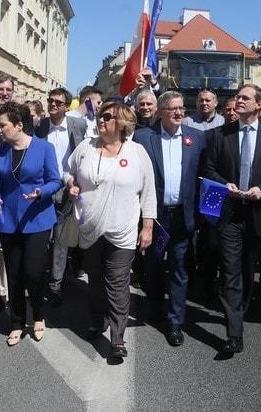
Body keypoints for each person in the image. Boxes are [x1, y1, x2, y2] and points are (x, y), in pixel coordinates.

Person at [65, 101, 156, 359]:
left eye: (107, 117)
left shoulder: (137, 152)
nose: (101, 120)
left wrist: (147, 227)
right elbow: (67, 172)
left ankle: (118, 339)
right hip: (90, 226)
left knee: (117, 284)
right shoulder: (86, 148)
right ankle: (97, 320)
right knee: (95, 282)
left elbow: (149, 192)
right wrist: (71, 184)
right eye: (100, 116)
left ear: (122, 123)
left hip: (123, 229)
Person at [203, 84, 261, 355]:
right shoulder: (219, 135)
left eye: (244, 98)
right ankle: (234, 333)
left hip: (257, 213)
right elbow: (208, 169)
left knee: (248, 272)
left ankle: (239, 310)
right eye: (237, 97)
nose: (238, 101)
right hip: (229, 213)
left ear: (258, 105)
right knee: (229, 271)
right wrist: (223, 184)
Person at [134, 91, 206, 347]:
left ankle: (175, 321)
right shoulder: (143, 137)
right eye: (173, 109)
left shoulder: (196, 138)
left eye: (181, 109)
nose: (178, 113)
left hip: (182, 216)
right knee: (153, 263)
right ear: (160, 111)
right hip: (154, 215)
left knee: (179, 267)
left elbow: (203, 175)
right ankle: (154, 304)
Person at [0, 102, 62, 346]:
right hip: (9, 220)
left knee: (33, 272)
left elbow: (56, 180)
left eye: (3, 125)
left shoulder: (44, 148)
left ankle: (39, 314)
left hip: (37, 218)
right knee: (13, 274)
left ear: (19, 125)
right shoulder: (1, 149)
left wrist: (40, 192)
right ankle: (16, 322)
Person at [35, 87, 87, 305]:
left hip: (67, 189)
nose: (53, 104)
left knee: (61, 240)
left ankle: (55, 285)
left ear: (67, 106)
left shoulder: (79, 126)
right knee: (40, 238)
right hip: (44, 189)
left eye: (58, 102)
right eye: (50, 100)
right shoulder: (38, 127)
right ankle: (38, 278)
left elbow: (84, 153)